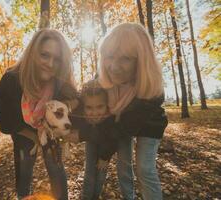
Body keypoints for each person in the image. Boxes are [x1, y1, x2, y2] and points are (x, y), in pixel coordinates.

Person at [0, 29, 78, 200]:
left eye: (57, 59)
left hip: (50, 133)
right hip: (22, 132)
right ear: (32, 53)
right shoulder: (11, 79)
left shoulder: (59, 82)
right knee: (24, 169)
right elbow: (2, 116)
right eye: (45, 55)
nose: (50, 63)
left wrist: (67, 106)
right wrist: (33, 137)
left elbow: (77, 98)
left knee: (56, 168)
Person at [97, 23, 168, 200]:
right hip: (121, 122)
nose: (113, 66)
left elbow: (126, 127)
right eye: (110, 57)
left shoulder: (151, 91)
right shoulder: (105, 81)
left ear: (141, 61)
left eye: (125, 58)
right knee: (123, 164)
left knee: (145, 168)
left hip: (149, 125)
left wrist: (105, 154)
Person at [70, 80, 119, 200]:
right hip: (91, 143)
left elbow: (114, 139)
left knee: (101, 174)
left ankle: (95, 196)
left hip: (106, 148)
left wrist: (104, 157)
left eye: (100, 107)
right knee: (89, 171)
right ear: (83, 106)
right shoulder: (82, 116)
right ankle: (87, 197)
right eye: (89, 107)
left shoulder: (111, 119)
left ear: (107, 105)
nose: (95, 113)